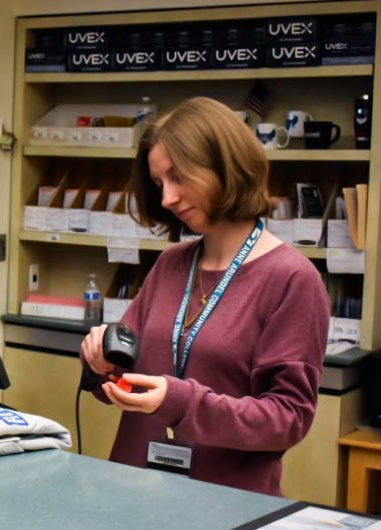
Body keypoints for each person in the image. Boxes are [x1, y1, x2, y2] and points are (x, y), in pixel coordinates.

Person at [80, 96, 329, 496]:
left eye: (178, 177)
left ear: (226, 167)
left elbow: (288, 417)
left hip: (225, 506)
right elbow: (123, 374)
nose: (167, 199)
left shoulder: (292, 279)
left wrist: (181, 402)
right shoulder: (171, 264)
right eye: (160, 183)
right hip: (132, 497)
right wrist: (101, 362)